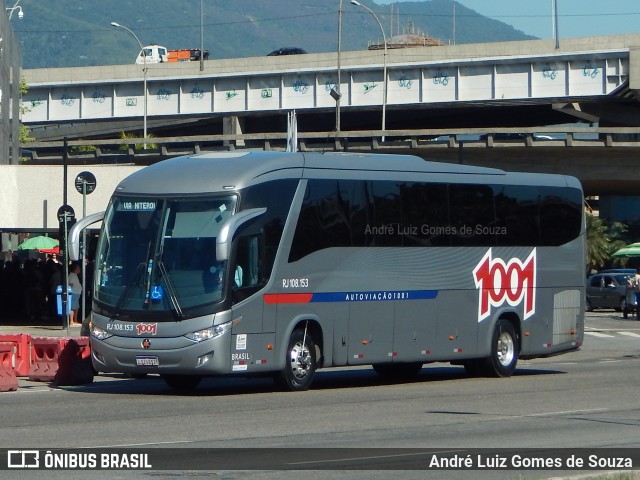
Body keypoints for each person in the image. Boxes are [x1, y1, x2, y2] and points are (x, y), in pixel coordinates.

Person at [68, 261, 83, 325]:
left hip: (76, 293)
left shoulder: (74, 275)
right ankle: (71, 321)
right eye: (78, 268)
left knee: (76, 307)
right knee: (72, 307)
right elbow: (70, 285)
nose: (79, 269)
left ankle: (75, 320)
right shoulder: (72, 276)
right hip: (74, 293)